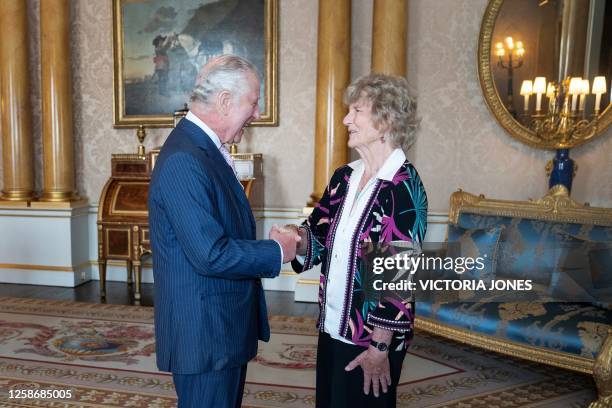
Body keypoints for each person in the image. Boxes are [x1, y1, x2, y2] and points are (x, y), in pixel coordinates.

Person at [148, 55, 299, 408]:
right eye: (254, 101)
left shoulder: (203, 150)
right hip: (205, 336)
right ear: (225, 101)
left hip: (219, 329)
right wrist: (277, 251)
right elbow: (210, 253)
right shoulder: (185, 159)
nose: (258, 113)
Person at [272, 73, 428, 407]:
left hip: (369, 340)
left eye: (356, 111)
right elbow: (317, 233)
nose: (345, 120)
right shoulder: (345, 177)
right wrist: (293, 238)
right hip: (333, 327)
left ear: (385, 120)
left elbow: (399, 278)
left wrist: (379, 348)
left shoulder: (400, 187)